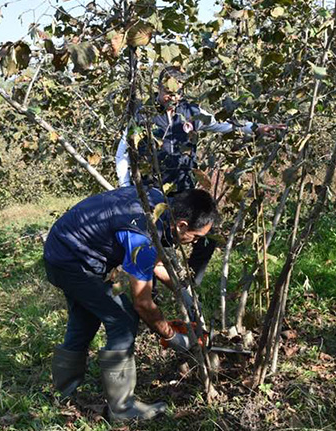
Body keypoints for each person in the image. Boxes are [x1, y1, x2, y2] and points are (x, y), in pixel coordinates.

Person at [43, 186, 217, 421]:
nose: (194, 243)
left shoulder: (157, 205)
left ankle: (63, 393)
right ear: (182, 225)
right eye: (195, 238)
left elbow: (155, 264)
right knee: (123, 319)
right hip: (71, 261)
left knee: (85, 318)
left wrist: (184, 292)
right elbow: (143, 304)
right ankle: (122, 409)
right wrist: (173, 338)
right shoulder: (143, 235)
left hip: (64, 249)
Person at [115, 66, 286, 287]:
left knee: (208, 232)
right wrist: (126, 187)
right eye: (167, 91)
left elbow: (222, 125)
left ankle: (190, 283)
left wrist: (255, 128)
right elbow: (123, 152)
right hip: (152, 191)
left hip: (184, 190)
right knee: (153, 240)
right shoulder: (142, 115)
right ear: (158, 87)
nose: (172, 97)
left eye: (177, 92)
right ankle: (151, 292)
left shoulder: (191, 111)